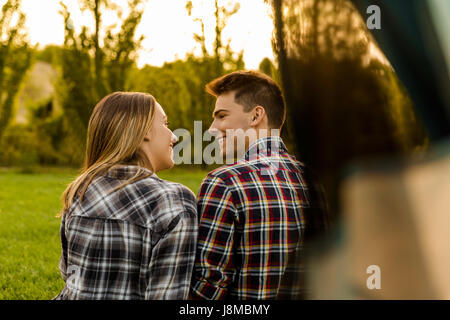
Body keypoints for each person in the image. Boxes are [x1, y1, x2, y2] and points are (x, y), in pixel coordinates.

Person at [190, 71, 330, 300]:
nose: (212, 128)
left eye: (221, 116)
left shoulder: (225, 183)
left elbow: (207, 293)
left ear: (256, 116)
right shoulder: (316, 181)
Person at [54, 92, 197, 300]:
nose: (173, 136)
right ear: (145, 130)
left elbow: (71, 278)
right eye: (165, 124)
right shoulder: (173, 200)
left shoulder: (80, 191)